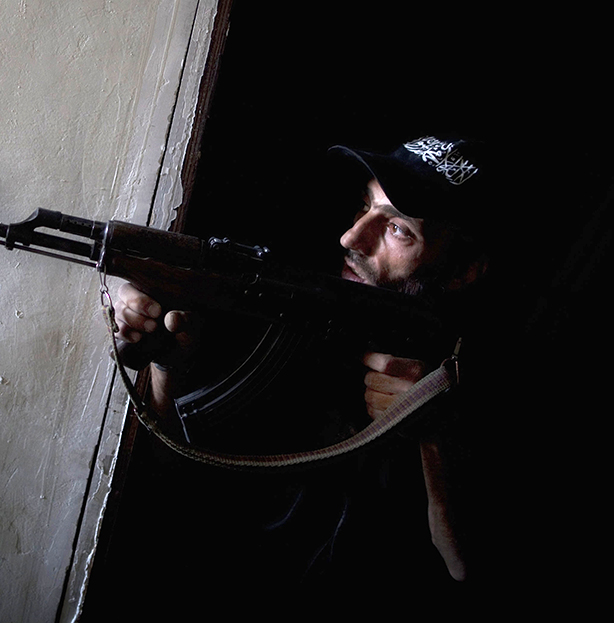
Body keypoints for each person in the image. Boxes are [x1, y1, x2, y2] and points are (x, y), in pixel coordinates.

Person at [112, 136, 493, 599]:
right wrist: (167, 369)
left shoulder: (474, 383)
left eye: (399, 230)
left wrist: (433, 436)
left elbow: (462, 568)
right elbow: (170, 492)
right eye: (365, 207)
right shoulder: (296, 313)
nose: (351, 238)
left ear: (464, 272)